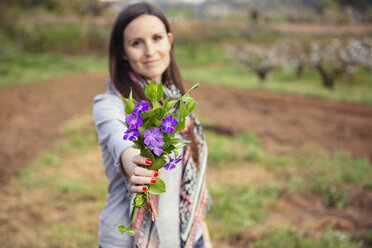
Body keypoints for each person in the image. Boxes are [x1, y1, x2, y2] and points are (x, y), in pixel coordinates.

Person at [93, 2, 210, 248]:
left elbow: (188, 184)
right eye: (136, 43)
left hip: (188, 238)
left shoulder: (178, 102)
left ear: (169, 41)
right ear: (123, 51)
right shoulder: (110, 104)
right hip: (128, 241)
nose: (150, 51)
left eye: (156, 38)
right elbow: (121, 142)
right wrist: (135, 162)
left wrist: (203, 239)